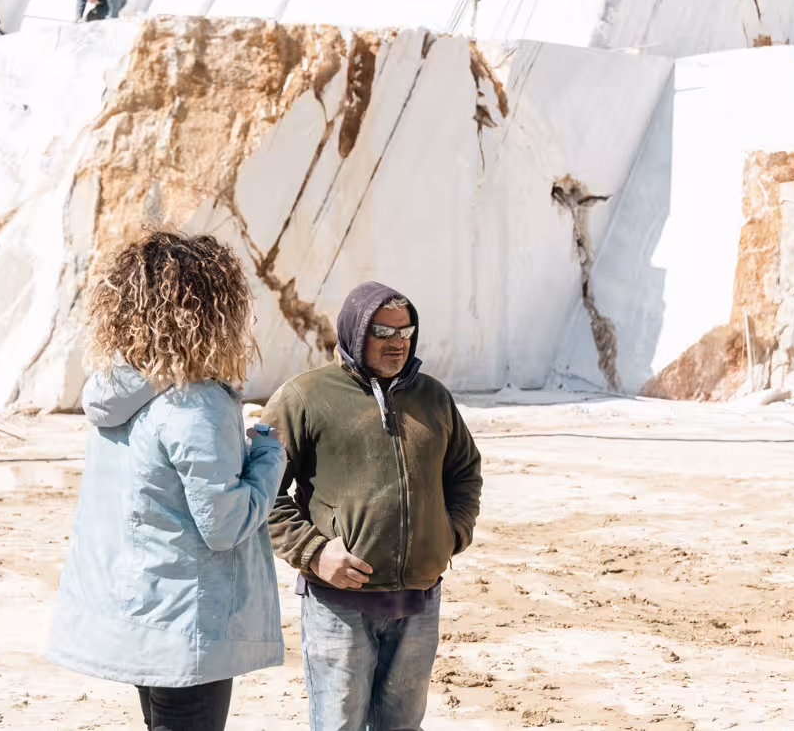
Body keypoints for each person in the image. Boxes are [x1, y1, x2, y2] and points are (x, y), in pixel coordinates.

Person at [47, 230, 285, 731]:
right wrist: (267, 454)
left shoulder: (118, 393)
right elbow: (223, 524)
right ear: (209, 310)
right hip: (188, 624)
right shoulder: (194, 401)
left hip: (143, 616)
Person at [263, 282, 483, 731]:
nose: (398, 341)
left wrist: (451, 534)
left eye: (406, 330)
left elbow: (464, 472)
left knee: (402, 727)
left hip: (419, 601)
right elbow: (261, 493)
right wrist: (315, 553)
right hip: (339, 605)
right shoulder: (304, 397)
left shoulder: (433, 397)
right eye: (383, 330)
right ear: (355, 330)